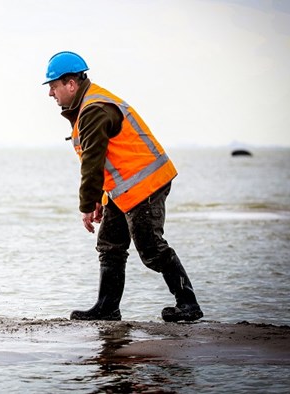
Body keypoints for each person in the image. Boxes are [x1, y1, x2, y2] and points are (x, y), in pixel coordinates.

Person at [43, 51, 203, 322]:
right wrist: (98, 199)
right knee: (110, 245)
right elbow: (107, 161)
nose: (50, 94)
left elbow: (92, 162)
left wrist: (85, 204)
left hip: (145, 184)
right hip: (125, 188)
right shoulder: (88, 106)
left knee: (151, 248)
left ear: (71, 84)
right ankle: (107, 308)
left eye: (53, 86)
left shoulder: (94, 108)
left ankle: (188, 305)